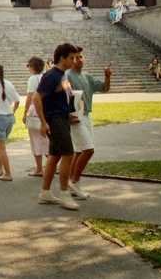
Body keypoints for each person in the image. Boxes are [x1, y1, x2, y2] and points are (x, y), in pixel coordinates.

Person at [34, 43, 81, 211]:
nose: (74, 60)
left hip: (61, 118)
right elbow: (36, 98)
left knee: (54, 156)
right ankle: (64, 193)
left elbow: (58, 97)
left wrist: (68, 114)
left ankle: (45, 193)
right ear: (62, 58)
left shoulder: (62, 75)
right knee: (68, 154)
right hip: (54, 121)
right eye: (71, 58)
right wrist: (43, 122)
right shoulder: (52, 75)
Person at [66, 50, 112, 200]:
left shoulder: (87, 77)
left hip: (86, 116)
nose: (78, 59)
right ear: (70, 59)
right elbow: (62, 96)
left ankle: (72, 184)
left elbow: (104, 88)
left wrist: (107, 76)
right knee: (88, 150)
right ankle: (74, 181)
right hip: (75, 117)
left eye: (80, 57)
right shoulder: (67, 76)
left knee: (79, 151)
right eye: (75, 57)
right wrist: (68, 115)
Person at [23, 56, 49, 177]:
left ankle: (39, 169)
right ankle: (50, 166)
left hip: (35, 111)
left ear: (33, 67)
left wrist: (25, 112)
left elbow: (30, 97)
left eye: (29, 66)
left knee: (35, 141)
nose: (28, 68)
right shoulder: (45, 76)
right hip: (46, 110)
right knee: (47, 140)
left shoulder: (33, 79)